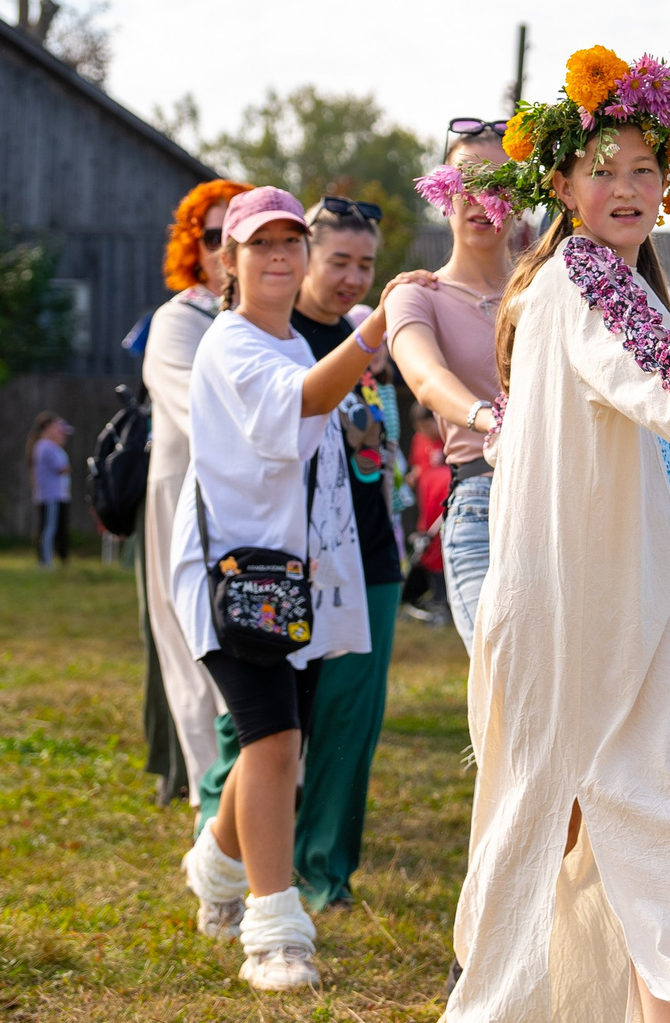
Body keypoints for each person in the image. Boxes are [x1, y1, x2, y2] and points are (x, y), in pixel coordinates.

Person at [440, 53, 670, 1023]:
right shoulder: (585, 280)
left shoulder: (609, 282)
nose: (628, 188)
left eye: (646, 170)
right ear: (559, 182)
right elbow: (661, 372)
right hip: (592, 614)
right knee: (630, 820)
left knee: (642, 824)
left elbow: (658, 368)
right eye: (604, 168)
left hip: (631, 603)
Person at [171, 186, 418, 993]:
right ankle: (275, 935)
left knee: (274, 737)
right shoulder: (232, 345)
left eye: (289, 243)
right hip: (231, 578)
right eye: (260, 245)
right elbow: (306, 403)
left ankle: (213, 862)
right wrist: (376, 327)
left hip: (295, 580)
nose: (279, 256)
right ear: (230, 263)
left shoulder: (293, 344)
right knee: (275, 742)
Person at [142, 178, 252, 802]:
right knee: (194, 655)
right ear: (195, 245)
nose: (226, 248)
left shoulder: (268, 318)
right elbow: (204, 413)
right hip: (183, 503)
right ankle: (211, 809)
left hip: (255, 506)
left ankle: (254, 803)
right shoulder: (177, 322)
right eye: (213, 236)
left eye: (240, 233)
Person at [387, 118, 514, 648]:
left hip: (564, 497)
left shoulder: (555, 285)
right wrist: (491, 419)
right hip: (481, 501)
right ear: (443, 193)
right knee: (503, 679)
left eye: (500, 183)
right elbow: (427, 379)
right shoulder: (417, 295)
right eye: (467, 182)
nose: (482, 197)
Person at [399, 406, 452, 627]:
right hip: (426, 504)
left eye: (426, 425)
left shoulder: (451, 437)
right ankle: (436, 597)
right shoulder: (420, 441)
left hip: (445, 506)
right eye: (418, 428)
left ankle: (448, 601)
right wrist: (413, 476)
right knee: (427, 550)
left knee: (443, 550)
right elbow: (417, 466)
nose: (423, 431)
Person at [30, 412, 72, 568]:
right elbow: (62, 469)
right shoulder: (45, 447)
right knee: (48, 530)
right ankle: (44, 562)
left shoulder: (49, 447)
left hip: (57, 495)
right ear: (47, 428)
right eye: (57, 428)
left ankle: (51, 560)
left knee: (53, 529)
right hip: (50, 496)